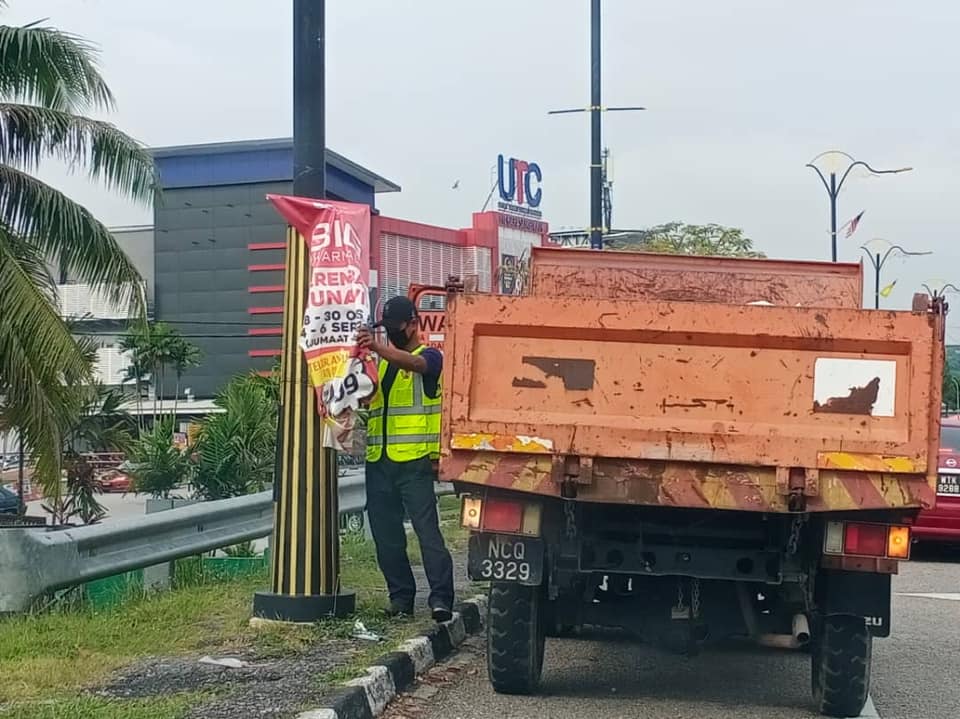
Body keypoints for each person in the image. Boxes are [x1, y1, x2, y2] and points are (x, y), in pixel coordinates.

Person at [357, 296, 455, 622]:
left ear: (413, 324)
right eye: (385, 330)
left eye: (395, 328)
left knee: (428, 534)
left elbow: (417, 366)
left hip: (414, 462)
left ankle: (441, 598)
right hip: (380, 460)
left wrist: (377, 348)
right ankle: (401, 598)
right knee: (386, 537)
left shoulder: (429, 356)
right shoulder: (382, 363)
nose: (391, 334)